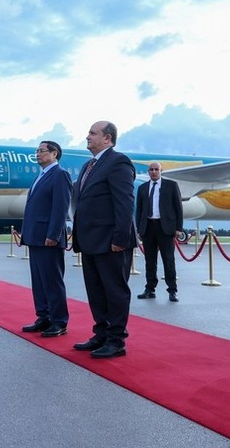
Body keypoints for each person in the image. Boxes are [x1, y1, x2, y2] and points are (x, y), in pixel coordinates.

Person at [71, 121, 136, 359]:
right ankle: (101, 333)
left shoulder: (119, 162)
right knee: (96, 291)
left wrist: (120, 238)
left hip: (111, 241)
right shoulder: (89, 165)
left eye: (92, 133)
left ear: (107, 138)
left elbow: (124, 202)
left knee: (114, 291)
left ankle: (116, 340)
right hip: (90, 240)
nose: (87, 136)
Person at [20, 141, 73, 337]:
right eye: (37, 151)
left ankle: (59, 321)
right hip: (35, 237)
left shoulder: (60, 175)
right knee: (39, 281)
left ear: (54, 153)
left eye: (41, 151)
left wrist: (53, 234)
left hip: (48, 238)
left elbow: (61, 208)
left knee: (52, 281)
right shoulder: (40, 176)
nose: (38, 154)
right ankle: (43, 317)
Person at [135, 161, 184, 302]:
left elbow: (178, 208)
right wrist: (139, 229)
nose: (154, 172)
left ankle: (172, 290)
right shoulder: (143, 188)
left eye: (156, 169)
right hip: (148, 227)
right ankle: (150, 289)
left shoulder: (171, 186)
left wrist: (178, 228)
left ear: (161, 171)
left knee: (168, 260)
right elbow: (139, 210)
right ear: (148, 172)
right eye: (151, 169)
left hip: (165, 228)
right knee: (150, 261)